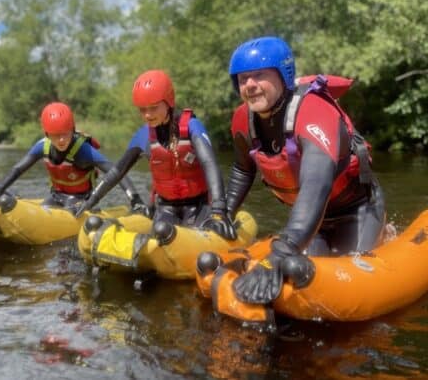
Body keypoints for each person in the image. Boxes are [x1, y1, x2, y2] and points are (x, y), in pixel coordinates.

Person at [225, 36, 386, 304]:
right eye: (242, 79)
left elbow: (315, 185)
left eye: (259, 76)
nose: (250, 85)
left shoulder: (314, 111)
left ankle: (383, 232)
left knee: (342, 287)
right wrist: (221, 213)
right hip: (315, 222)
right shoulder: (243, 119)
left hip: (356, 209)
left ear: (283, 76)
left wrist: (282, 251)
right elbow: (243, 170)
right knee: (298, 275)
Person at [75, 70, 237, 240]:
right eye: (142, 110)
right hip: (166, 208)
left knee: (184, 232)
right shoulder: (143, 135)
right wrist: (91, 201)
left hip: (199, 206)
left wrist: (219, 210)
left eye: (153, 108)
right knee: (161, 231)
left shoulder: (191, 127)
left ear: (169, 102)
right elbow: (117, 172)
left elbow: (209, 162)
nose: (147, 115)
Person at [0, 102, 146, 213]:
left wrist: (135, 199)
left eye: (65, 134)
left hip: (80, 199)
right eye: (56, 135)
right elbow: (18, 169)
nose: (61, 140)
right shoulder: (42, 146)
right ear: (47, 134)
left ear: (73, 130)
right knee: (44, 210)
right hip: (56, 196)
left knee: (66, 211)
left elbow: (116, 170)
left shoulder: (83, 150)